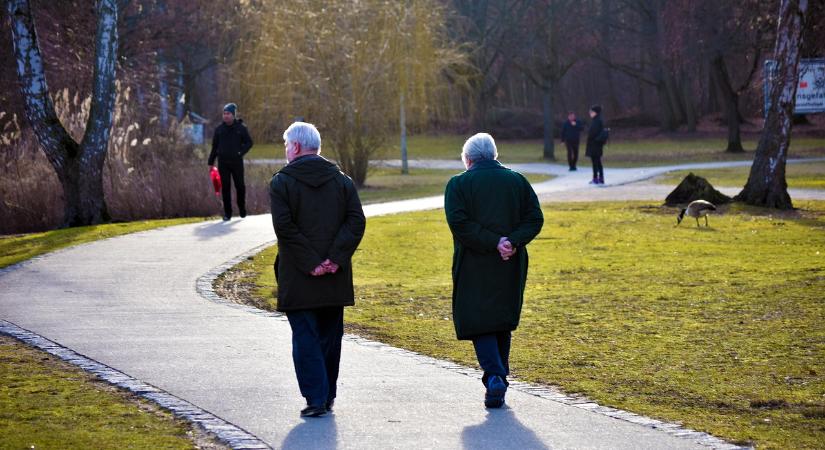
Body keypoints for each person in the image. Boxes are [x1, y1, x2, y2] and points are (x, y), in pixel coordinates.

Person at [269, 121, 366, 418]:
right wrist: (334, 259)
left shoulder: (281, 183)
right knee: (329, 336)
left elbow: (285, 228)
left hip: (298, 276)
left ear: (296, 147)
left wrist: (312, 263)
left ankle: (316, 397)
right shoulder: (343, 181)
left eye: (287, 145)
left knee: (305, 337)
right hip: (335, 277)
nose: (286, 151)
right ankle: (327, 395)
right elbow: (356, 221)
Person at [444, 133, 544, 409]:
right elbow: (535, 218)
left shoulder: (458, 184)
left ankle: (495, 376)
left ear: (468, 159)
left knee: (480, 320)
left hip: (474, 263)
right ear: (494, 155)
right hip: (509, 261)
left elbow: (459, 223)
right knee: (501, 318)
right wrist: (511, 241)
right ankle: (498, 377)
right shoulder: (517, 181)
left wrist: (492, 241)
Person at [208, 103, 253, 220]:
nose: (226, 116)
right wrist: (210, 163)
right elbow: (214, 147)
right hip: (223, 163)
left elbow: (249, 143)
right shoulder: (219, 130)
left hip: (237, 162)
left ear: (233, 115)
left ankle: (242, 208)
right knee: (226, 187)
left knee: (240, 186)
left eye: (228, 114)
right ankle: (228, 213)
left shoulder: (241, 128)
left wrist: (240, 152)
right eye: (224, 113)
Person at [585, 105, 607, 185]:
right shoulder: (596, 120)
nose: (590, 113)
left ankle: (596, 178)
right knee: (597, 162)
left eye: (591, 112)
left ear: (595, 113)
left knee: (596, 162)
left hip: (595, 144)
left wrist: (590, 136)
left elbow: (593, 133)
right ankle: (599, 178)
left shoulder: (597, 121)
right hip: (596, 144)